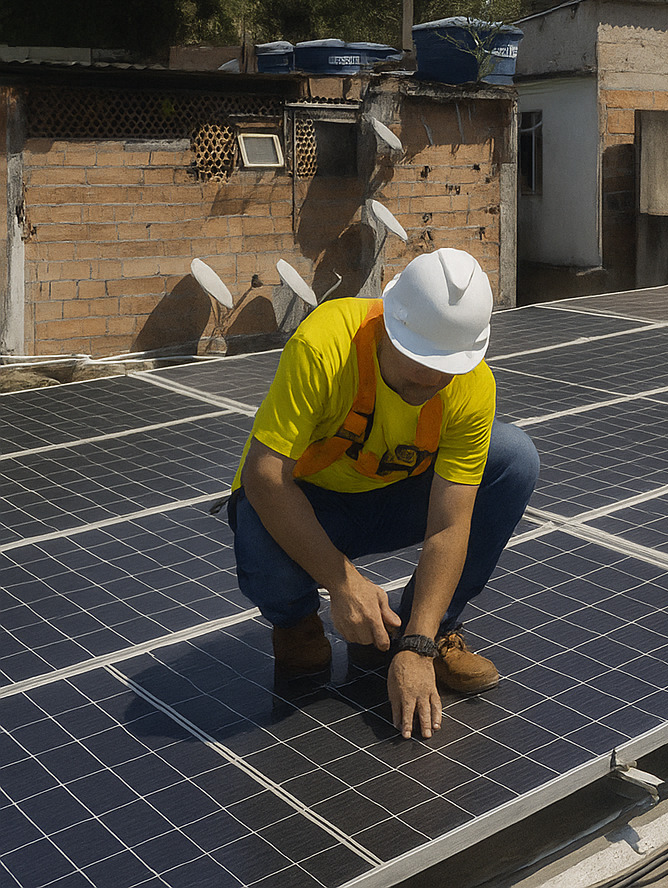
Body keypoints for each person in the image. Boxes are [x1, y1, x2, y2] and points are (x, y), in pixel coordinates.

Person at [227, 247, 538, 740]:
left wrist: (416, 643)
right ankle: (296, 625)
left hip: (396, 499)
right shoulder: (326, 345)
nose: (433, 379)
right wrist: (343, 582)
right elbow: (266, 477)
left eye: (447, 366)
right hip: (314, 503)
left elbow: (450, 523)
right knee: (255, 513)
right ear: (391, 325)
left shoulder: (471, 383)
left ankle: (432, 631)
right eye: (421, 360)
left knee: (514, 458)